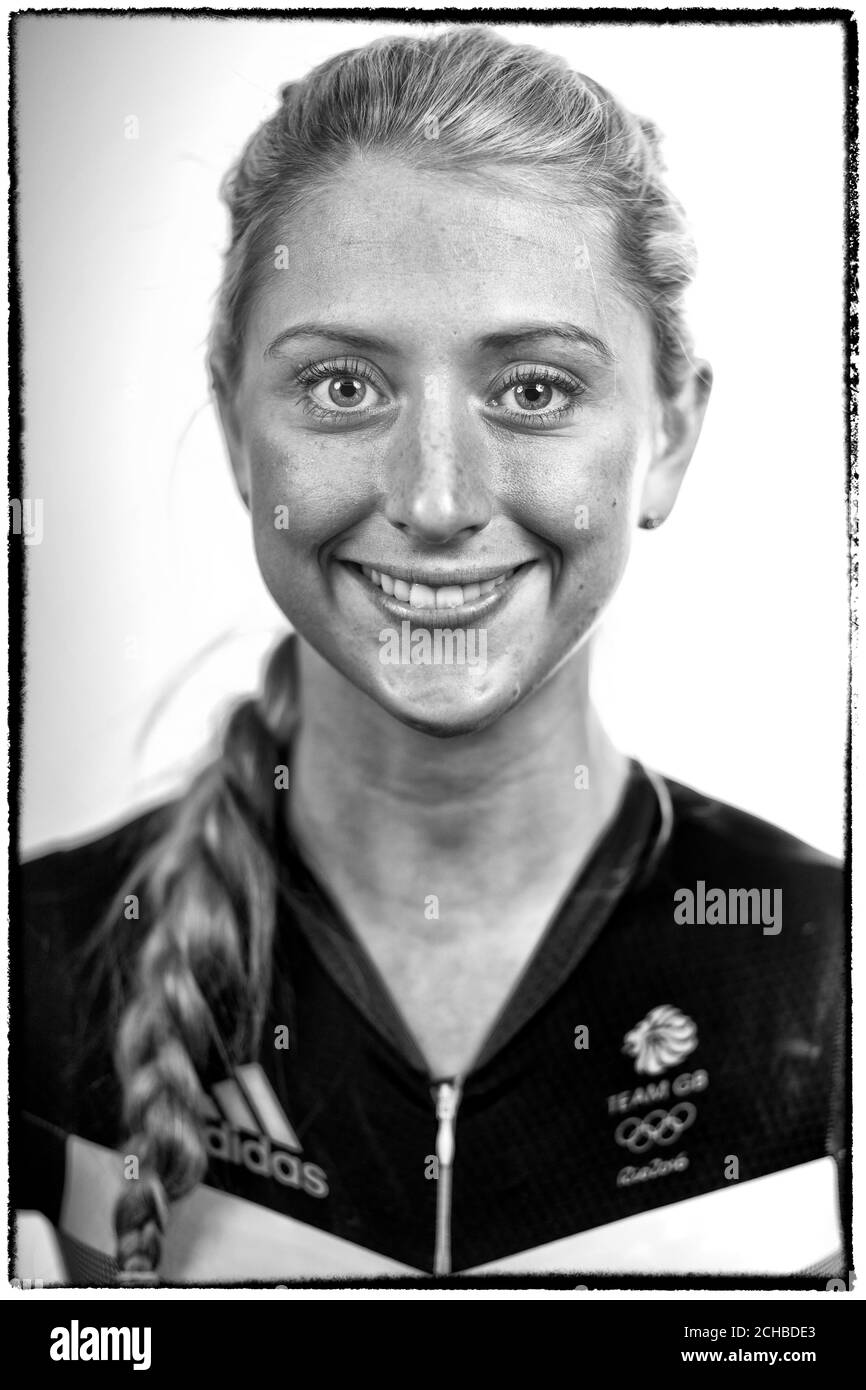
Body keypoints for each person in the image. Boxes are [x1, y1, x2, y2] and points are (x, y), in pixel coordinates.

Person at [13, 25, 847, 1285]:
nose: (436, 499)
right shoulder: (32, 967)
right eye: (345, 387)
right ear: (237, 429)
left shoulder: (826, 969)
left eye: (533, 390)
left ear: (668, 436)